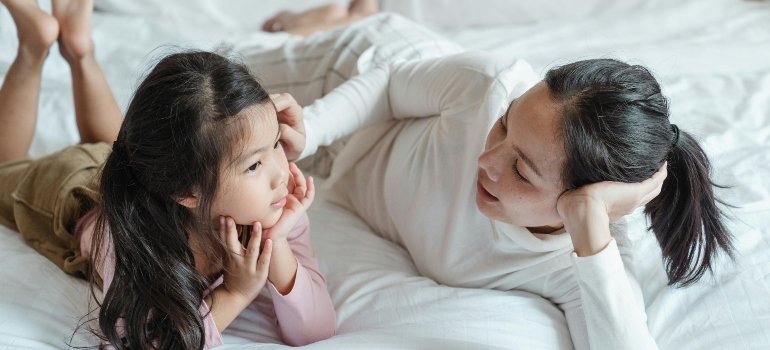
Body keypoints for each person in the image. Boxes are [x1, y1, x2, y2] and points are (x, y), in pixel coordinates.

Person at [242, 13, 734, 350]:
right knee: (222, 84)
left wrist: (588, 222)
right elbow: (390, 84)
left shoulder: (579, 260)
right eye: (504, 125)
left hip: (346, 168)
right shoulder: (488, 85)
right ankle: (349, 17)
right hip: (351, 77)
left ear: (579, 202)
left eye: (521, 170)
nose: (487, 159)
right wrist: (311, 128)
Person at [0, 0, 336, 348]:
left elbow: (316, 331)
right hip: (70, 192)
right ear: (187, 192)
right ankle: (33, 45)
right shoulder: (137, 243)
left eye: (277, 143)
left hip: (131, 171)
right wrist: (235, 294)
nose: (281, 174)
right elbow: (147, 343)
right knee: (4, 168)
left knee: (113, 145)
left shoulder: (273, 202)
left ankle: (79, 48)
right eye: (254, 165)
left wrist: (276, 242)